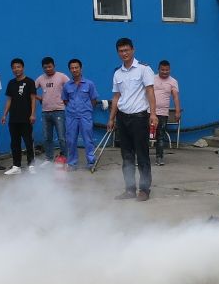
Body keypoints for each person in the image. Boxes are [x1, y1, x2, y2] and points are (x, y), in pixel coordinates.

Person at [108, 37, 156, 201]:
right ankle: (129, 190)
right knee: (126, 156)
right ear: (118, 53)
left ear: (133, 50)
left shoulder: (144, 69)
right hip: (122, 118)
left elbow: (150, 91)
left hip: (139, 118)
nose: (124, 53)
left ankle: (144, 190)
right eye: (121, 51)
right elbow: (116, 96)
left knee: (142, 155)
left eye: (126, 50)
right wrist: (111, 118)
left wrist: (153, 114)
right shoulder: (117, 73)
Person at [61, 58, 102, 168]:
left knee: (88, 140)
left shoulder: (89, 84)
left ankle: (91, 162)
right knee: (71, 140)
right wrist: (73, 109)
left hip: (85, 116)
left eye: (76, 67)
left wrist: (87, 109)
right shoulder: (67, 85)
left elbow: (93, 99)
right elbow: (65, 100)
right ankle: (72, 163)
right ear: (69, 70)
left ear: (81, 68)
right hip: (71, 117)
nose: (74, 70)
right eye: (72, 68)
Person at [2, 57, 37, 172]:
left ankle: (31, 165)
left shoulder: (30, 82)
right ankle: (16, 166)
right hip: (13, 118)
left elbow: (33, 99)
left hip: (26, 118)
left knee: (28, 142)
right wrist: (5, 114)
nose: (16, 69)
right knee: (14, 143)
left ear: (23, 68)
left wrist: (33, 114)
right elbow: (9, 100)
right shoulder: (11, 83)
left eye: (18, 67)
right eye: (14, 68)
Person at [35, 56, 67, 162]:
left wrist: (66, 99)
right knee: (47, 138)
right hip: (45, 113)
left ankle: (65, 158)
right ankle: (48, 159)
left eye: (49, 66)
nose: (48, 69)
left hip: (59, 111)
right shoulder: (40, 78)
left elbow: (71, 88)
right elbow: (31, 90)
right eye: (45, 67)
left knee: (62, 137)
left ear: (54, 66)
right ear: (43, 68)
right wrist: (40, 98)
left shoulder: (62, 76)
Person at [152, 59, 181, 166]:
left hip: (163, 113)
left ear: (170, 70)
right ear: (158, 69)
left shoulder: (173, 81)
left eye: (167, 70)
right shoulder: (152, 78)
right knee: (144, 135)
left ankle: (159, 158)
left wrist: (177, 111)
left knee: (160, 136)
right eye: (162, 70)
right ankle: (142, 158)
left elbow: (175, 97)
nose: (165, 72)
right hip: (149, 112)